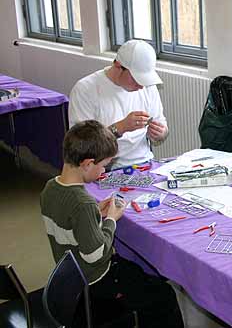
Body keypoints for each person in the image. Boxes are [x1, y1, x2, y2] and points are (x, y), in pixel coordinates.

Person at [40, 120, 183, 328]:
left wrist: (95, 214)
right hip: (96, 280)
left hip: (72, 276)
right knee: (164, 294)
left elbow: (67, 223)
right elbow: (96, 254)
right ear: (87, 164)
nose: (103, 172)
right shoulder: (83, 202)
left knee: (140, 273)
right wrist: (110, 220)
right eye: (103, 166)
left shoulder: (50, 187)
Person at [69, 39, 169, 169]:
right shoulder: (86, 89)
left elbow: (161, 125)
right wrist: (120, 128)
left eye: (144, 80)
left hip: (144, 163)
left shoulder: (147, 87)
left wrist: (161, 133)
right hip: (103, 168)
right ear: (117, 65)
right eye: (136, 78)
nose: (140, 85)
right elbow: (81, 147)